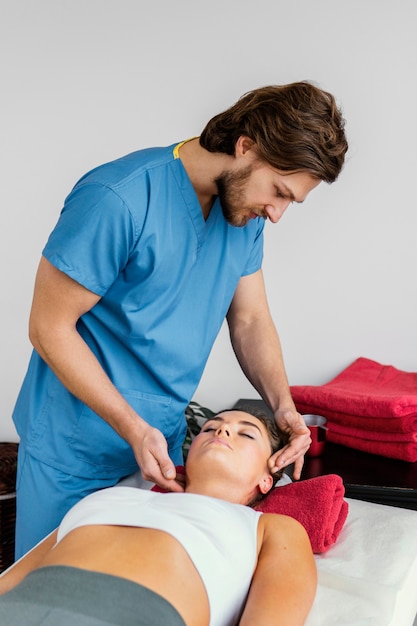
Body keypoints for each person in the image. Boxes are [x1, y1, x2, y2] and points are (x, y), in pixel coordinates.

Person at [13, 81, 348, 558]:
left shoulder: (243, 218)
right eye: (278, 191)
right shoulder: (119, 198)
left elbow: (250, 319)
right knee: (48, 590)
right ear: (245, 146)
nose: (276, 214)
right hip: (75, 448)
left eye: (290, 200)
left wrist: (283, 406)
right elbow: (49, 327)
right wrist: (131, 426)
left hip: (163, 452)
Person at [0, 409, 317, 626]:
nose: (221, 430)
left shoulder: (269, 527)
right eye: (209, 427)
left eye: (246, 435)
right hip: (22, 606)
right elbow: (11, 580)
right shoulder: (109, 496)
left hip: (137, 612)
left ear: (267, 478)